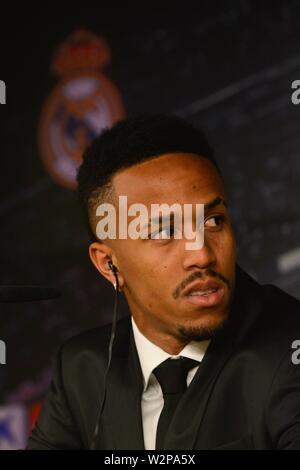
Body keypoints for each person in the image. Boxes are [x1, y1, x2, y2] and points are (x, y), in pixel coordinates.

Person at [27, 115, 300, 450]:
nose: (201, 254)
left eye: (213, 220)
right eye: (164, 232)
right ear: (108, 263)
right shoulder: (81, 370)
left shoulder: (290, 352)